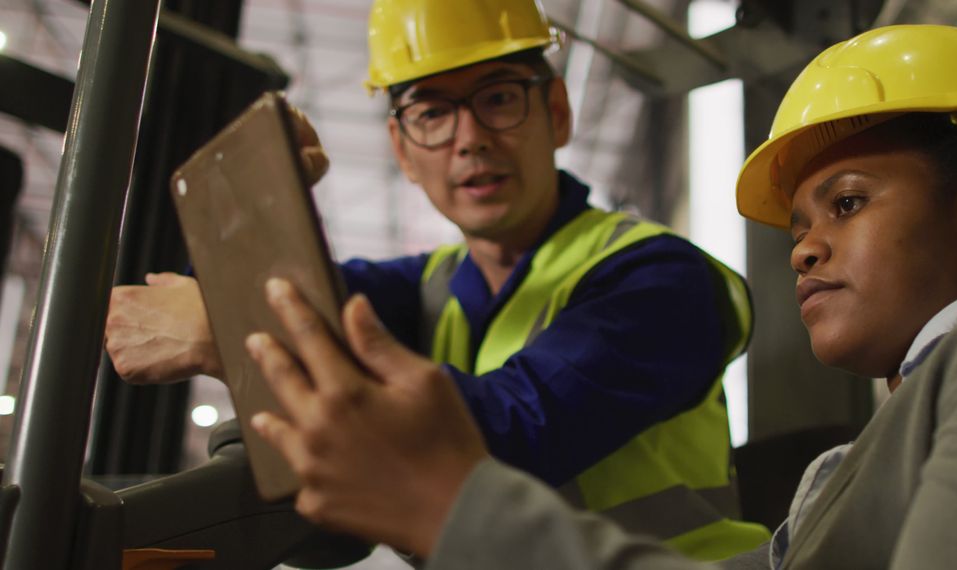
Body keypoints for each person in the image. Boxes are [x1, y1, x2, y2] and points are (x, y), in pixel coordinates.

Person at [243, 24, 957, 569]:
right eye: (798, 227)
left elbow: (516, 426)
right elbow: (308, 303)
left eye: (849, 203)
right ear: (399, 145)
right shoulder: (842, 473)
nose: (807, 248)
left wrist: (451, 504)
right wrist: (258, 228)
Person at [103, 0, 769, 559]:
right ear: (402, 149)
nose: (470, 137)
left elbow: (508, 438)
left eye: (500, 97)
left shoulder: (658, 279)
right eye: (431, 112)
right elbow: (279, 303)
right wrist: (257, 216)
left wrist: (231, 335)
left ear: (557, 113)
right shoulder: (429, 287)